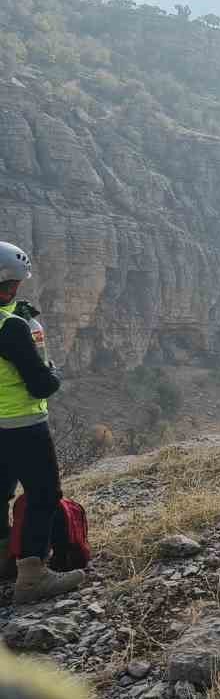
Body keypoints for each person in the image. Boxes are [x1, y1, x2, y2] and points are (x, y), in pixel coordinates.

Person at [0, 241, 86, 604]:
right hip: (22, 425)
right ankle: (32, 577)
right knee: (45, 494)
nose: (16, 289)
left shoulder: (10, 322)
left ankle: (4, 559)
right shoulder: (13, 328)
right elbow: (41, 383)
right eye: (13, 285)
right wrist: (55, 370)